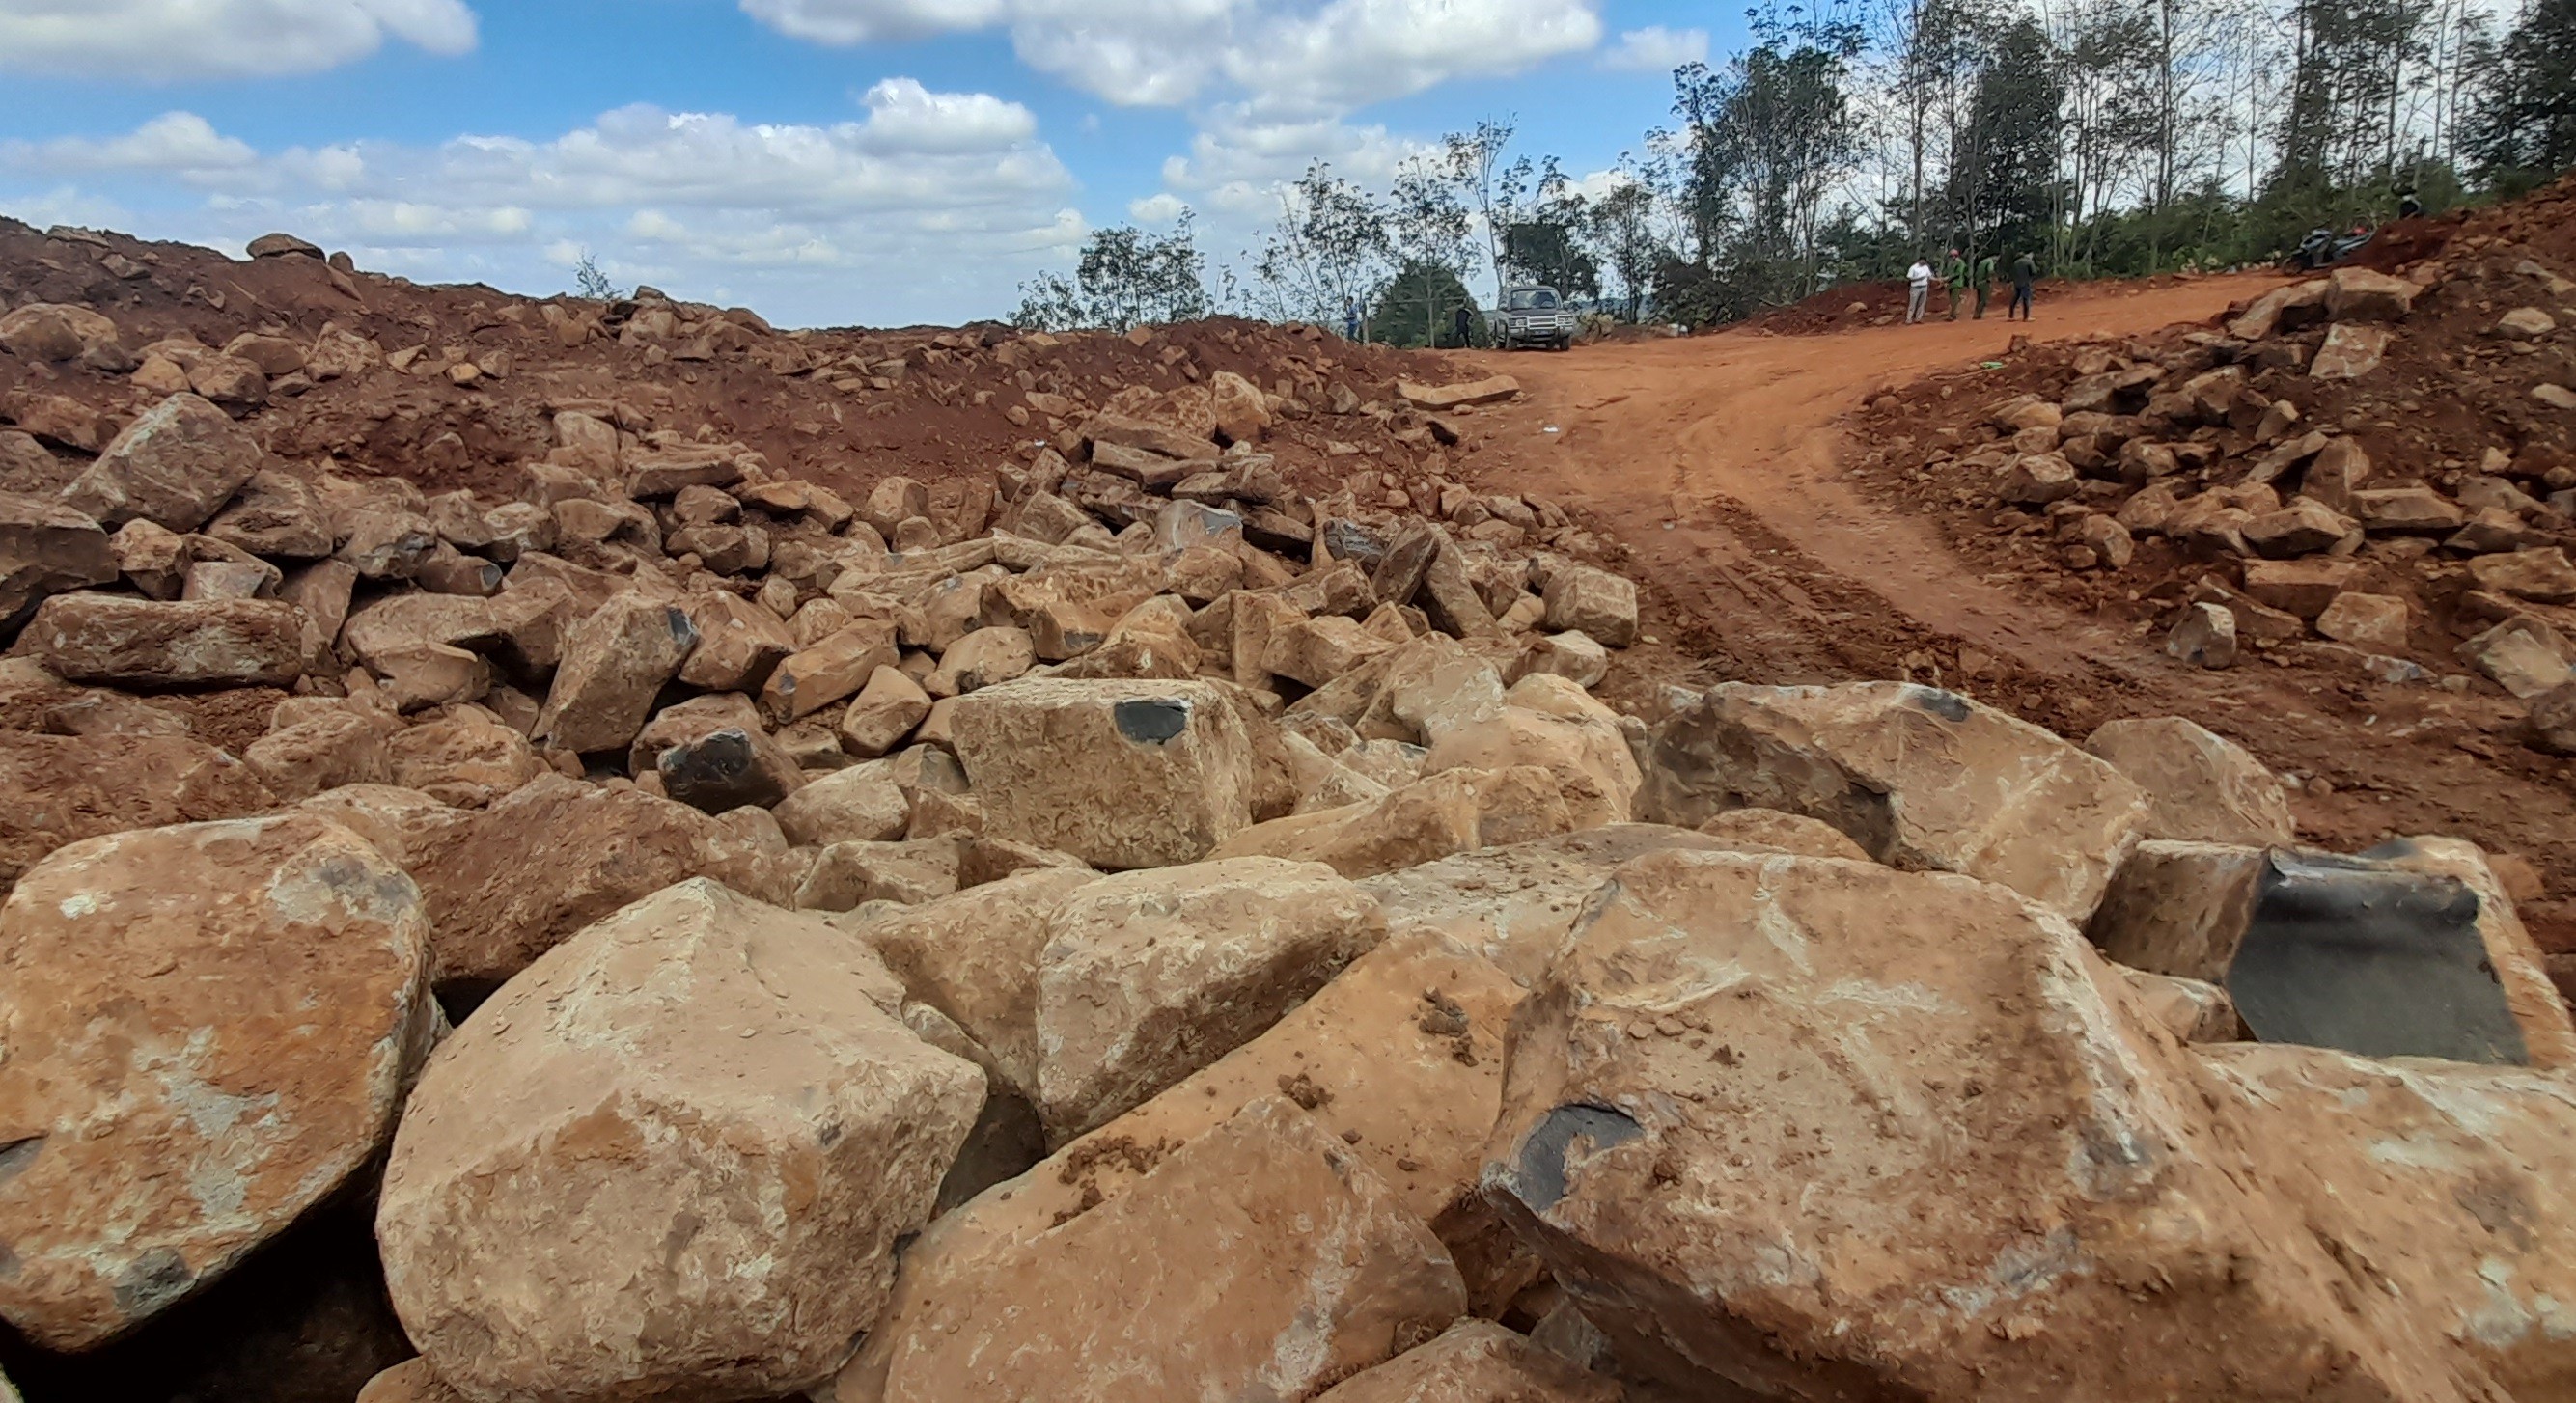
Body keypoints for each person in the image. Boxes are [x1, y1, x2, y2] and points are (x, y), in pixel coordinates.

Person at [1942, 247, 1969, 320]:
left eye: (1952, 255)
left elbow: (1958, 273)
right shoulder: (1951, 263)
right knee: (1952, 300)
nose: (1951, 257)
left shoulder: (1960, 263)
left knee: (1954, 300)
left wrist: (1948, 278)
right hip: (1951, 284)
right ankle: (1953, 313)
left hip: (1957, 283)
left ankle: (1953, 316)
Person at [2008, 251, 2036, 320]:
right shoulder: (2029, 261)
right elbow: (2034, 272)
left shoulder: (2015, 263)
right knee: (2026, 298)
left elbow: (2012, 273)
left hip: (2017, 283)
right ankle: (2026, 317)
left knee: (2015, 298)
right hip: (2025, 282)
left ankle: (2011, 316)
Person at [1905, 258, 1933, 324]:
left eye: (1924, 261)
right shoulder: (1913, 268)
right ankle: (1909, 319)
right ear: (1919, 261)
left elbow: (1929, 276)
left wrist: (1938, 279)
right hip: (1915, 287)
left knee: (1922, 303)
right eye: (1922, 261)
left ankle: (1918, 318)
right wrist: (1919, 278)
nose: (1923, 262)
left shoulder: (1926, 267)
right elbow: (1910, 278)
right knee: (1912, 303)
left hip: (1924, 287)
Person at [1972, 252, 1997, 319]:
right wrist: (1991, 278)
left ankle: (1976, 314)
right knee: (1984, 300)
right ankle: (1977, 315)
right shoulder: (1990, 262)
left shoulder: (1982, 262)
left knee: (1979, 300)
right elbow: (1990, 271)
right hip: (1984, 283)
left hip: (1978, 283)